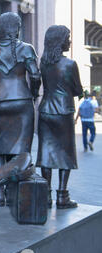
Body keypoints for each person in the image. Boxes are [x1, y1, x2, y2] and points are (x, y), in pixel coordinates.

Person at [0, 12, 41, 206]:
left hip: (0, 102)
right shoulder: (26, 48)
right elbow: (34, 76)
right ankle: (17, 194)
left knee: (0, 150)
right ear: (17, 28)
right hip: (22, 101)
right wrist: (34, 94)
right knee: (22, 152)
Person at [37, 25, 83, 209]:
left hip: (46, 111)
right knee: (66, 153)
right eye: (67, 38)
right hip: (63, 112)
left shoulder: (43, 63)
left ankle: (46, 196)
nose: (69, 41)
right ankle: (62, 196)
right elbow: (77, 90)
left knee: (46, 154)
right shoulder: (70, 64)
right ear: (59, 41)